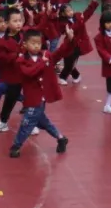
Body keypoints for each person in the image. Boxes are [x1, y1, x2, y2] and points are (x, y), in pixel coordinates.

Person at [9, 28, 74, 158]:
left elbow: (59, 54)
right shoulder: (21, 60)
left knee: (27, 122)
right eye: (33, 43)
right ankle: (61, 138)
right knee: (41, 121)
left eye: (38, 43)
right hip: (32, 96)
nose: (36, 46)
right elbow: (29, 73)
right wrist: (43, 63)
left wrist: (69, 40)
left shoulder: (46, 55)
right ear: (25, 45)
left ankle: (16, 145)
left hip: (41, 97)